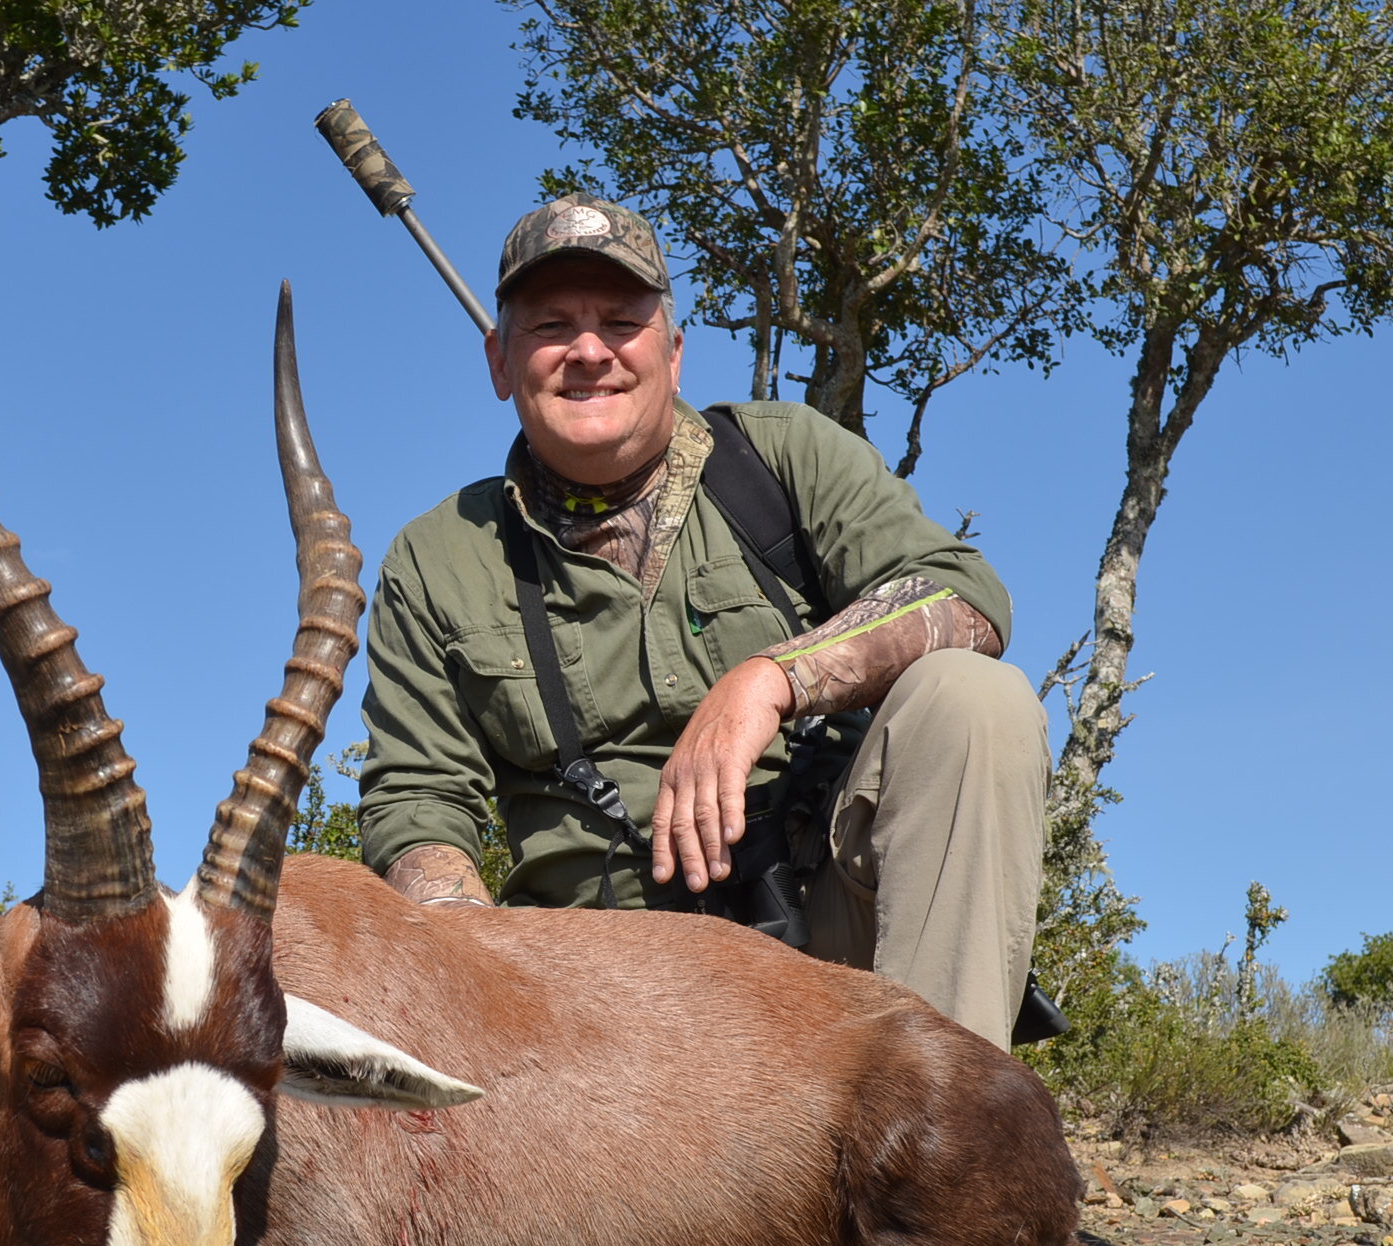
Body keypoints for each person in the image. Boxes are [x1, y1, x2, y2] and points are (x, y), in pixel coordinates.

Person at [357, 192, 1049, 1048]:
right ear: (499, 362)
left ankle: (949, 1127)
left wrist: (767, 683)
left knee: (975, 699)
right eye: (549, 328)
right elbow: (419, 802)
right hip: (597, 985)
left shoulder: (783, 457)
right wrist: (473, 972)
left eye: (621, 320)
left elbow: (963, 595)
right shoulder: (435, 559)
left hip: (820, 926)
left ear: (673, 354)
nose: (588, 352)